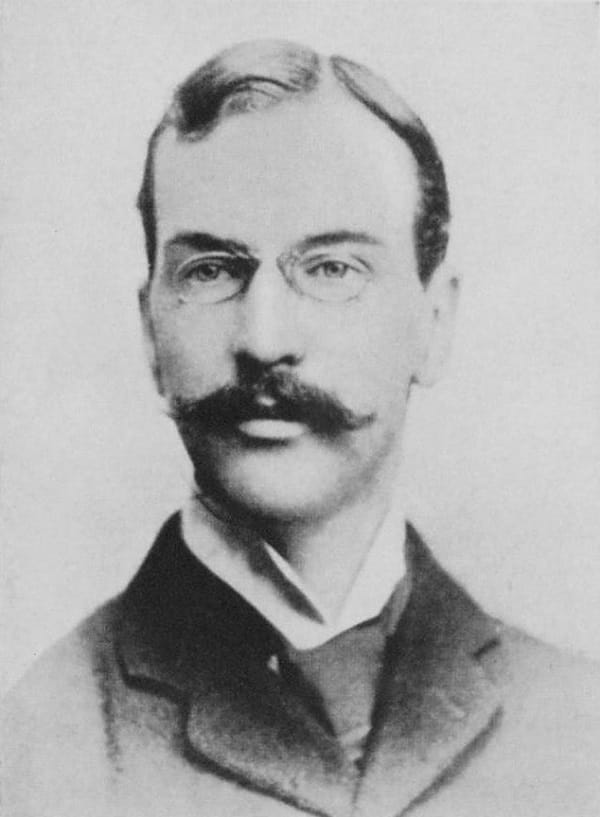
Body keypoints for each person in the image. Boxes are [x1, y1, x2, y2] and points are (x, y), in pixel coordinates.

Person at [2, 39, 599, 817]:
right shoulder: (34, 746)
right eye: (212, 269)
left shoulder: (579, 728)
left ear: (435, 322)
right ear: (151, 334)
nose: (264, 336)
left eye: (331, 268)